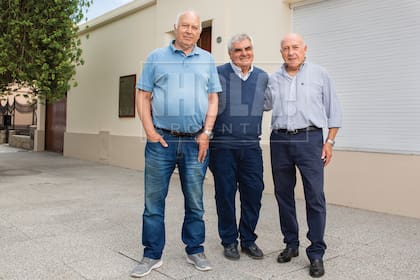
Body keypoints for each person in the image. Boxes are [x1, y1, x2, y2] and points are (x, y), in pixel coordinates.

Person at [130, 10, 221, 278]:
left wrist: (206, 133)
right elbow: (143, 95)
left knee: (195, 201)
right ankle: (151, 254)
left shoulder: (207, 60)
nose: (190, 31)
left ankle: (195, 249)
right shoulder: (156, 58)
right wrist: (149, 131)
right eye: (185, 26)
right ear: (176, 28)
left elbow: (213, 99)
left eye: (194, 27)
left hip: (195, 142)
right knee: (153, 202)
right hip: (162, 141)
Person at [264, 33, 342, 278]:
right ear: (281, 52)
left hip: (310, 140)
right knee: (283, 194)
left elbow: (334, 111)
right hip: (279, 139)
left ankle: (316, 252)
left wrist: (329, 141)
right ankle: (291, 244)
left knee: (315, 196)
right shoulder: (272, 79)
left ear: (305, 49)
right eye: (286, 48)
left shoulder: (320, 74)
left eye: (295, 47)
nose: (291, 52)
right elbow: (262, 105)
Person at [209, 34, 268, 261]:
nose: (244, 53)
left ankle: (248, 240)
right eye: (238, 50)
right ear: (230, 54)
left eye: (247, 48)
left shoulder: (262, 77)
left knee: (253, 192)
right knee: (225, 194)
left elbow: (269, 102)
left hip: (251, 146)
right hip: (222, 146)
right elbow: (207, 104)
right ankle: (229, 241)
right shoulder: (217, 74)